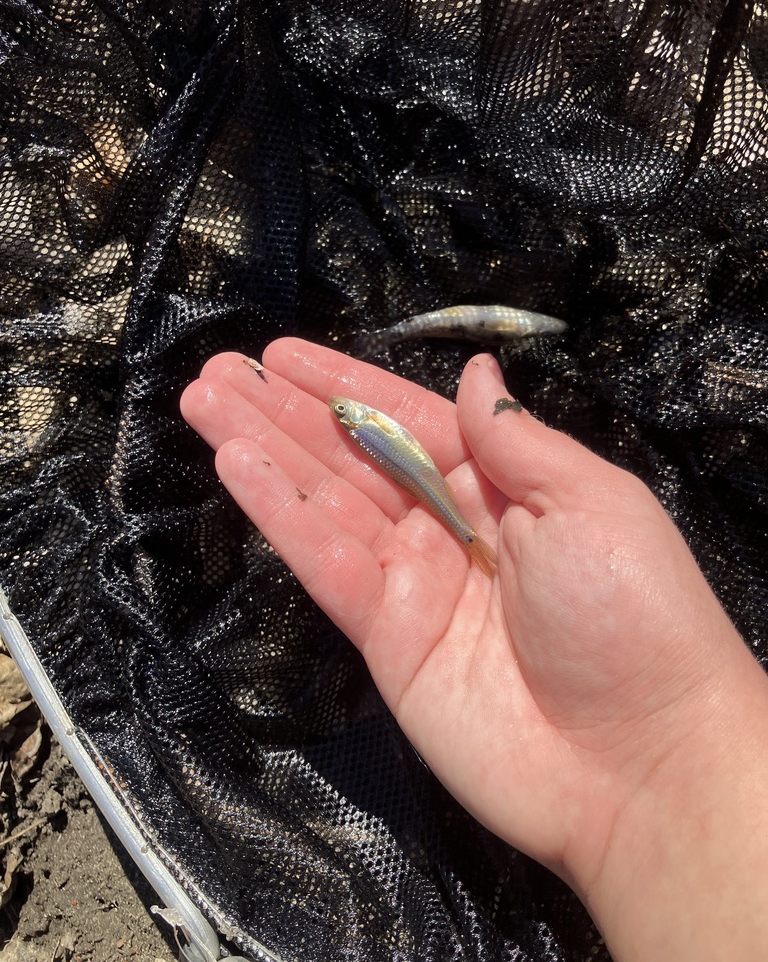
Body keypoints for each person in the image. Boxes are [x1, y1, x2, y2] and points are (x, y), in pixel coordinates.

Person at [180, 338, 768, 962]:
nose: (350, 417)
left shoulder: (361, 426)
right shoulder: (356, 424)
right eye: (350, 419)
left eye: (348, 417)